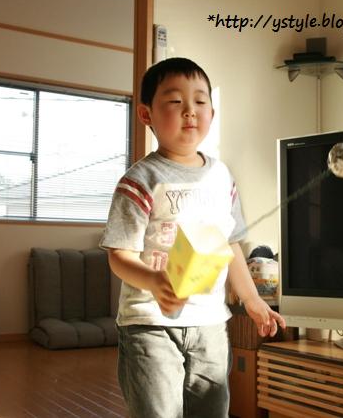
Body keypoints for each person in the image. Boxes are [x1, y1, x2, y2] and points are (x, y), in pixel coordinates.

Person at [100, 57, 285, 418]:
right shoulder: (140, 181)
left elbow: (230, 245)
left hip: (210, 324)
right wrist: (154, 281)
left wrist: (252, 300)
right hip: (149, 323)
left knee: (211, 410)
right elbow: (119, 255)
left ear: (211, 114)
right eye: (175, 101)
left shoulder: (222, 177)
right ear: (146, 114)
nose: (190, 110)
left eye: (200, 101)